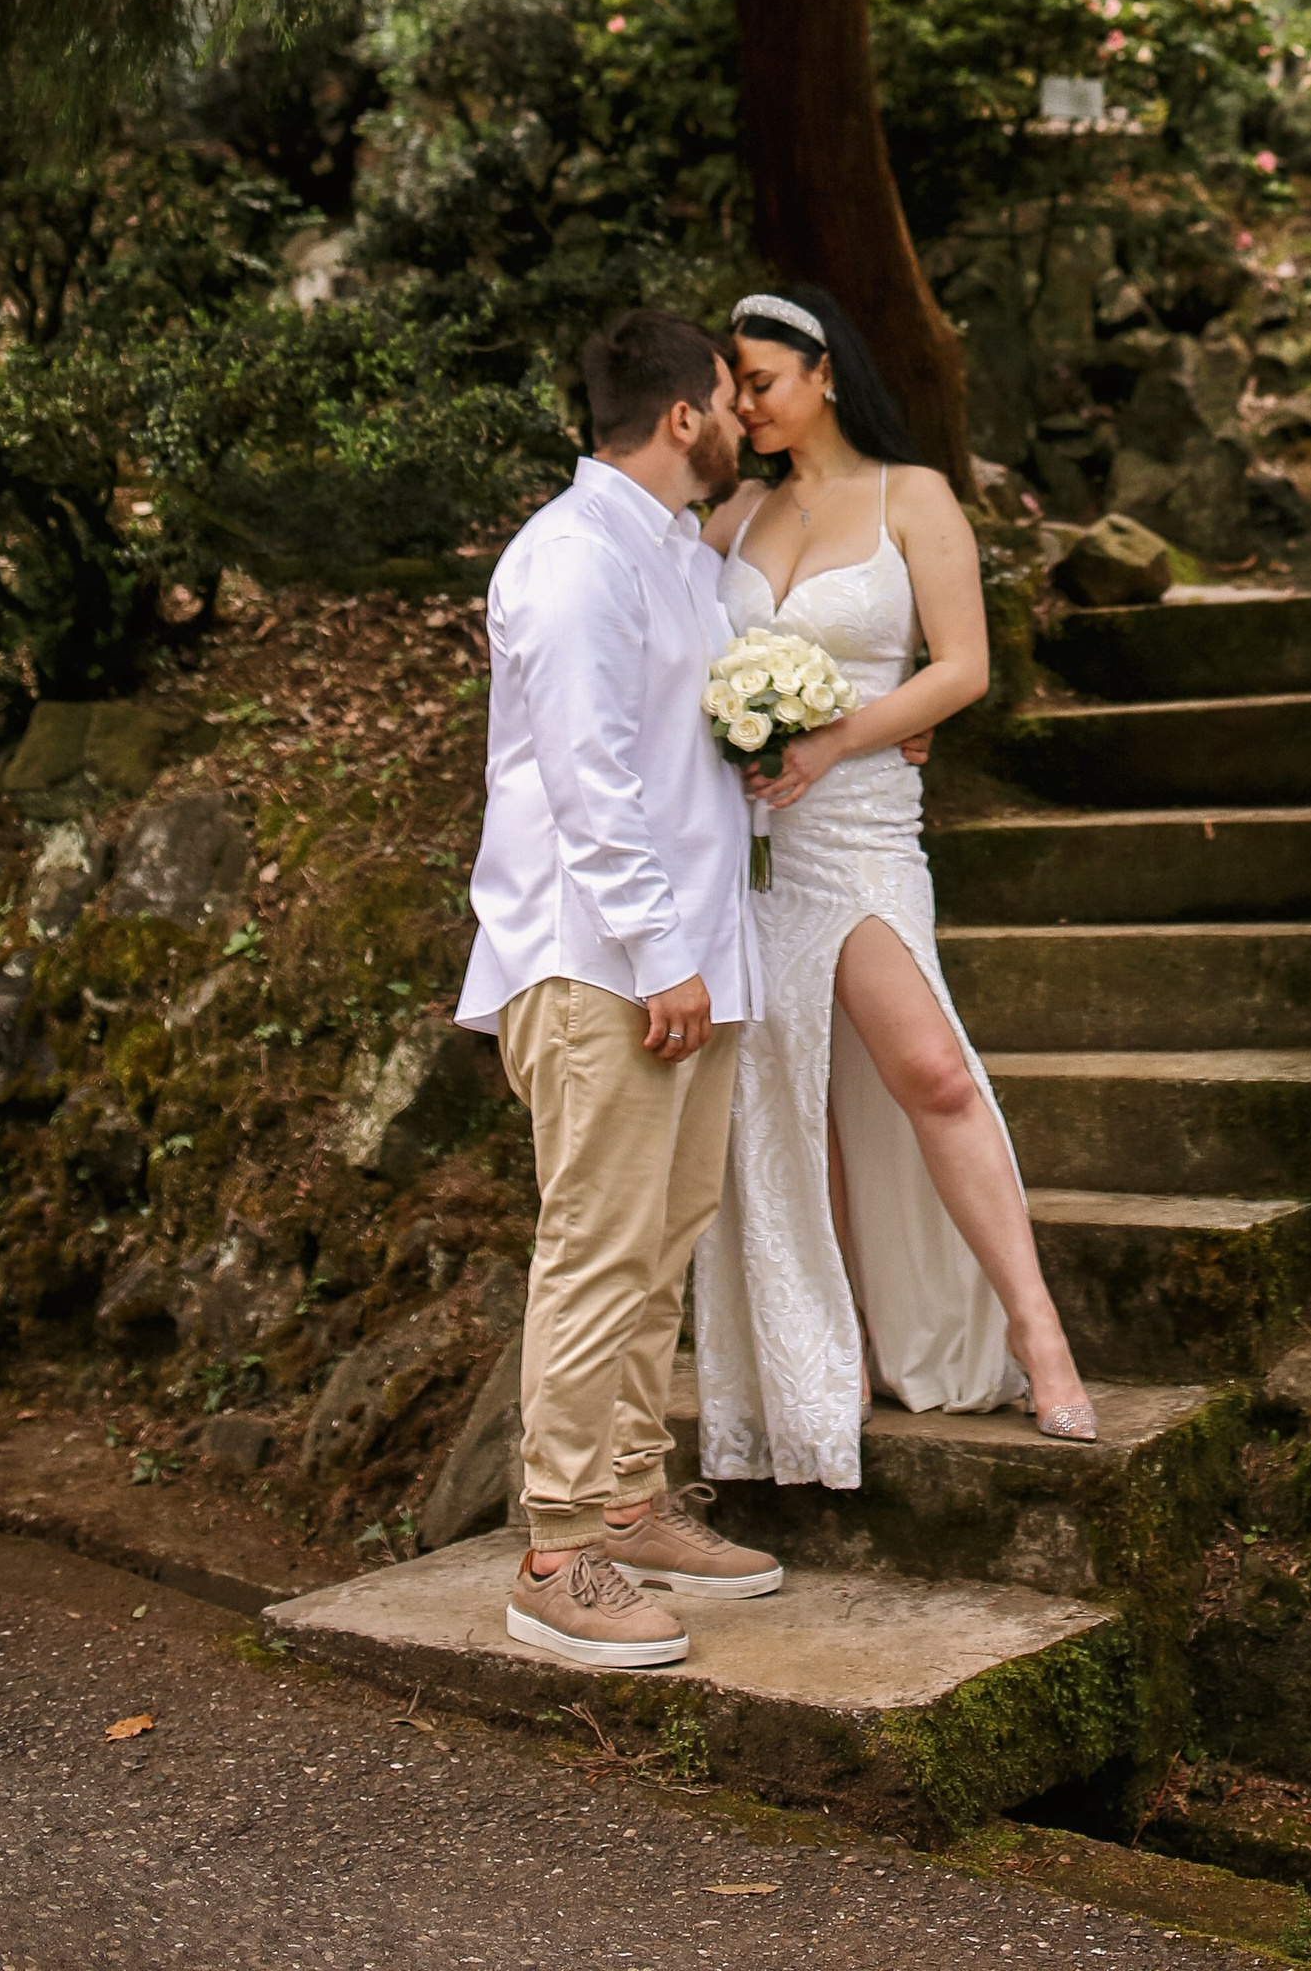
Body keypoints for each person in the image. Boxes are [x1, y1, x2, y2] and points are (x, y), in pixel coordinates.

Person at [687, 282, 1096, 1492]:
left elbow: (961, 668)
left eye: (760, 381)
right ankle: (829, 1355)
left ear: (823, 371)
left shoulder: (914, 497)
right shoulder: (732, 516)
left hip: (860, 831)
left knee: (925, 1069)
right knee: (795, 1102)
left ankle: (1036, 1329)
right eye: (733, 386)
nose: (745, 404)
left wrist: (842, 737)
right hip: (759, 846)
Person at [455, 308, 787, 1671]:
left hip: (689, 959)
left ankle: (632, 1502)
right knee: (597, 1245)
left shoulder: (680, 558)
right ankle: (554, 1554)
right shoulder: (574, 559)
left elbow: (666, 755)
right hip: (602, 965)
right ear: (680, 417)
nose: (741, 418)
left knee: (665, 1237)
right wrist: (661, 957)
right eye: (728, 396)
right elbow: (589, 782)